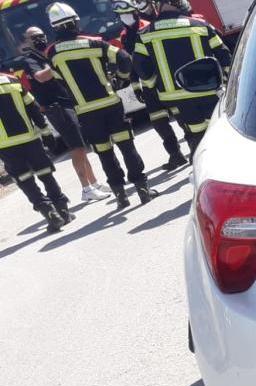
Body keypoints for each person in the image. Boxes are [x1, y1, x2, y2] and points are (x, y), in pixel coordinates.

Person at [44, 2, 155, 208]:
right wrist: (121, 79)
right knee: (127, 146)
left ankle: (120, 195)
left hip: (85, 111)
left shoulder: (52, 53)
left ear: (55, 27)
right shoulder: (95, 43)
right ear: (75, 22)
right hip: (110, 103)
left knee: (104, 153)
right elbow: (124, 58)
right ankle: (142, 189)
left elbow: (58, 79)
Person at [16, 26, 111, 203]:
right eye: (34, 37)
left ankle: (94, 183)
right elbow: (40, 77)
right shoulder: (29, 59)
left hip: (66, 103)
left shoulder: (44, 54)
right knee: (77, 147)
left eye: (41, 35)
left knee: (81, 145)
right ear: (27, 41)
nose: (40, 39)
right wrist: (56, 63)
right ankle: (86, 188)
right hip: (56, 107)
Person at [131, 0, 230, 155]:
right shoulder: (201, 25)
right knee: (220, 132)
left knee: (197, 137)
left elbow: (140, 67)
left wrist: (155, 84)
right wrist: (227, 81)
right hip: (208, 91)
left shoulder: (145, 34)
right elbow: (225, 56)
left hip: (176, 98)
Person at [111, 0, 187, 171]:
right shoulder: (124, 35)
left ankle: (194, 143)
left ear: (136, 12)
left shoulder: (148, 26)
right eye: (121, 15)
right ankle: (175, 154)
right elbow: (132, 62)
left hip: (163, 80)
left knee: (181, 115)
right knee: (158, 121)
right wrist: (136, 86)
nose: (125, 18)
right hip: (147, 85)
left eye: (127, 13)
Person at [0, 72, 73, 231]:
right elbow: (32, 107)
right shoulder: (11, 80)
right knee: (45, 172)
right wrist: (46, 131)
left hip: (5, 145)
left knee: (24, 179)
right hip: (30, 138)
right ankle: (62, 210)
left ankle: (48, 211)